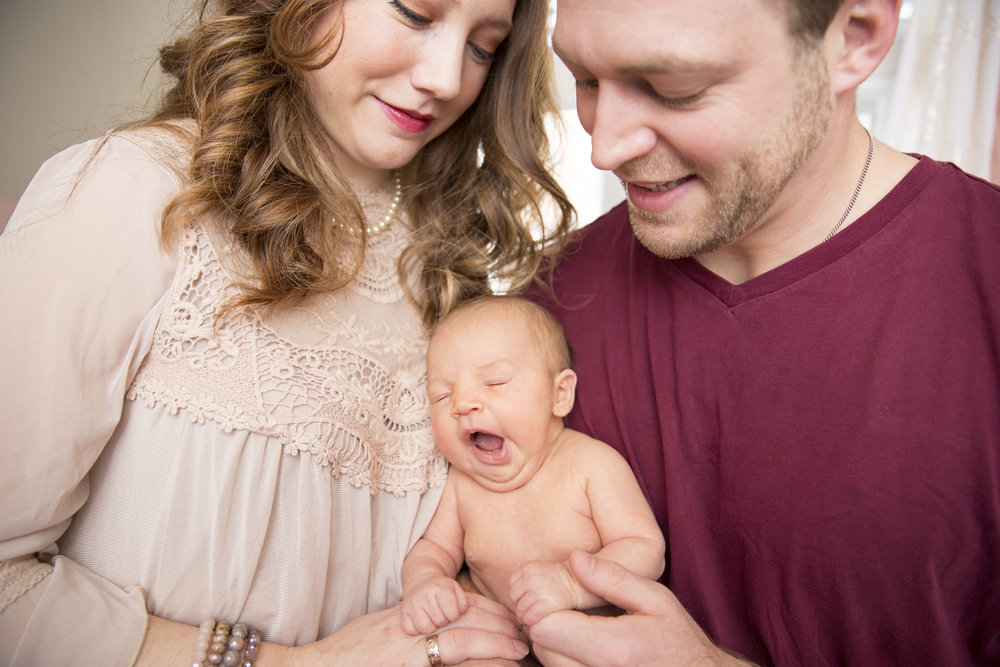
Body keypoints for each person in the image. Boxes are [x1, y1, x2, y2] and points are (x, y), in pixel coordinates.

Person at [0, 0, 575, 664]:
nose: (448, 78)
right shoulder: (137, 191)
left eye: (483, 46)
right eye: (416, 13)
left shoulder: (456, 274)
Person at [527, 0, 1000, 664]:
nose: (604, 146)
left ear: (855, 40)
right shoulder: (541, 310)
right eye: (585, 79)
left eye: (674, 89)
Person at [399, 295, 665, 637]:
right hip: (503, 642)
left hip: (594, 640)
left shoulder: (589, 465)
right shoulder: (461, 483)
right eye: (442, 396)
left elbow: (645, 548)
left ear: (559, 395)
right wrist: (425, 582)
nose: (463, 403)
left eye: (495, 382)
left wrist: (572, 584)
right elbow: (434, 549)